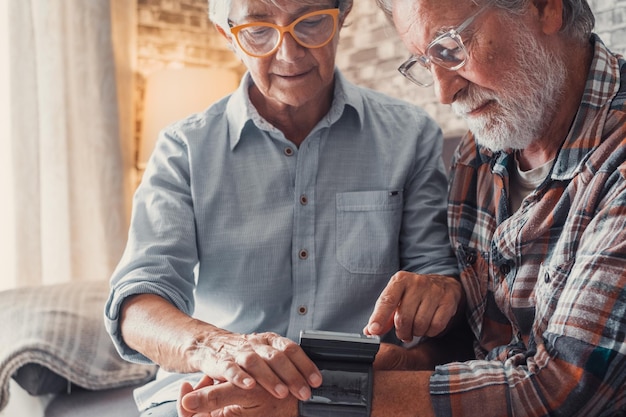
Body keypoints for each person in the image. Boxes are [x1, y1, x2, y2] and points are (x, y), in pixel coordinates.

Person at [177, 0, 626, 415]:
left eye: (451, 48)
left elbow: (559, 388)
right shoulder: (483, 149)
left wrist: (308, 400)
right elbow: (475, 343)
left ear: (545, 7)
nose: (443, 94)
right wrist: (396, 362)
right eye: (426, 62)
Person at [104, 0, 463, 415]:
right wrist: (218, 348)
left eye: (311, 23)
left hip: (352, 394)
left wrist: (439, 292)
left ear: (341, 18)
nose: (288, 53)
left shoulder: (411, 136)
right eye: (258, 31)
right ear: (228, 37)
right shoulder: (183, 149)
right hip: (220, 381)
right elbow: (137, 302)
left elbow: (436, 284)